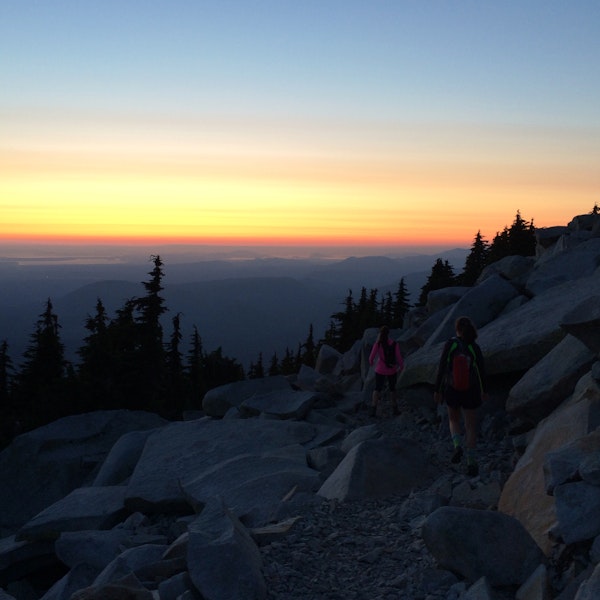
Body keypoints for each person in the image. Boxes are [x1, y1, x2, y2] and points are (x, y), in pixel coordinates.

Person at [434, 316, 487, 476]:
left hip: (452, 389)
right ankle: (472, 462)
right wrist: (484, 390)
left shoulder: (451, 344)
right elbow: (481, 371)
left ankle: (457, 446)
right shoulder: (474, 347)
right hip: (471, 391)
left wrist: (438, 390)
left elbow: (442, 367)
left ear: (457, 329)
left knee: (453, 419)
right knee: (471, 426)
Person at [368, 326, 404, 417]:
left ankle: (373, 409)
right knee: (392, 389)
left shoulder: (378, 344)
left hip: (380, 369)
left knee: (377, 388)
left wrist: (371, 363)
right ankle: (395, 409)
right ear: (388, 333)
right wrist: (401, 366)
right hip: (392, 370)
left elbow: (371, 357)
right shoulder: (394, 344)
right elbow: (399, 357)